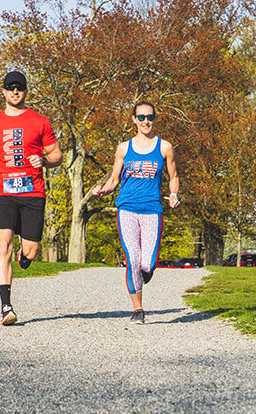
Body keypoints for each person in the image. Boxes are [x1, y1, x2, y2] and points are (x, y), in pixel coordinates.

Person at [0, 71, 62, 326]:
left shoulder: (40, 122)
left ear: (25, 92)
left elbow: (57, 154)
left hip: (32, 192)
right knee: (3, 244)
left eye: (19, 88)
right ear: (3, 91)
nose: (15, 92)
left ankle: (25, 258)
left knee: (30, 250)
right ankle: (6, 306)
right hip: (2, 190)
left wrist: (45, 161)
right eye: (10, 88)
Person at [91, 101, 180, 324]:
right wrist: (103, 191)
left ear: (154, 119)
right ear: (134, 120)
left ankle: (144, 273)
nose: (145, 121)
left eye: (149, 117)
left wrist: (174, 195)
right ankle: (138, 309)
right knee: (133, 260)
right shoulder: (123, 148)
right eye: (141, 117)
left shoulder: (164, 147)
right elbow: (114, 179)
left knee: (147, 264)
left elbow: (173, 176)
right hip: (127, 208)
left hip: (152, 209)